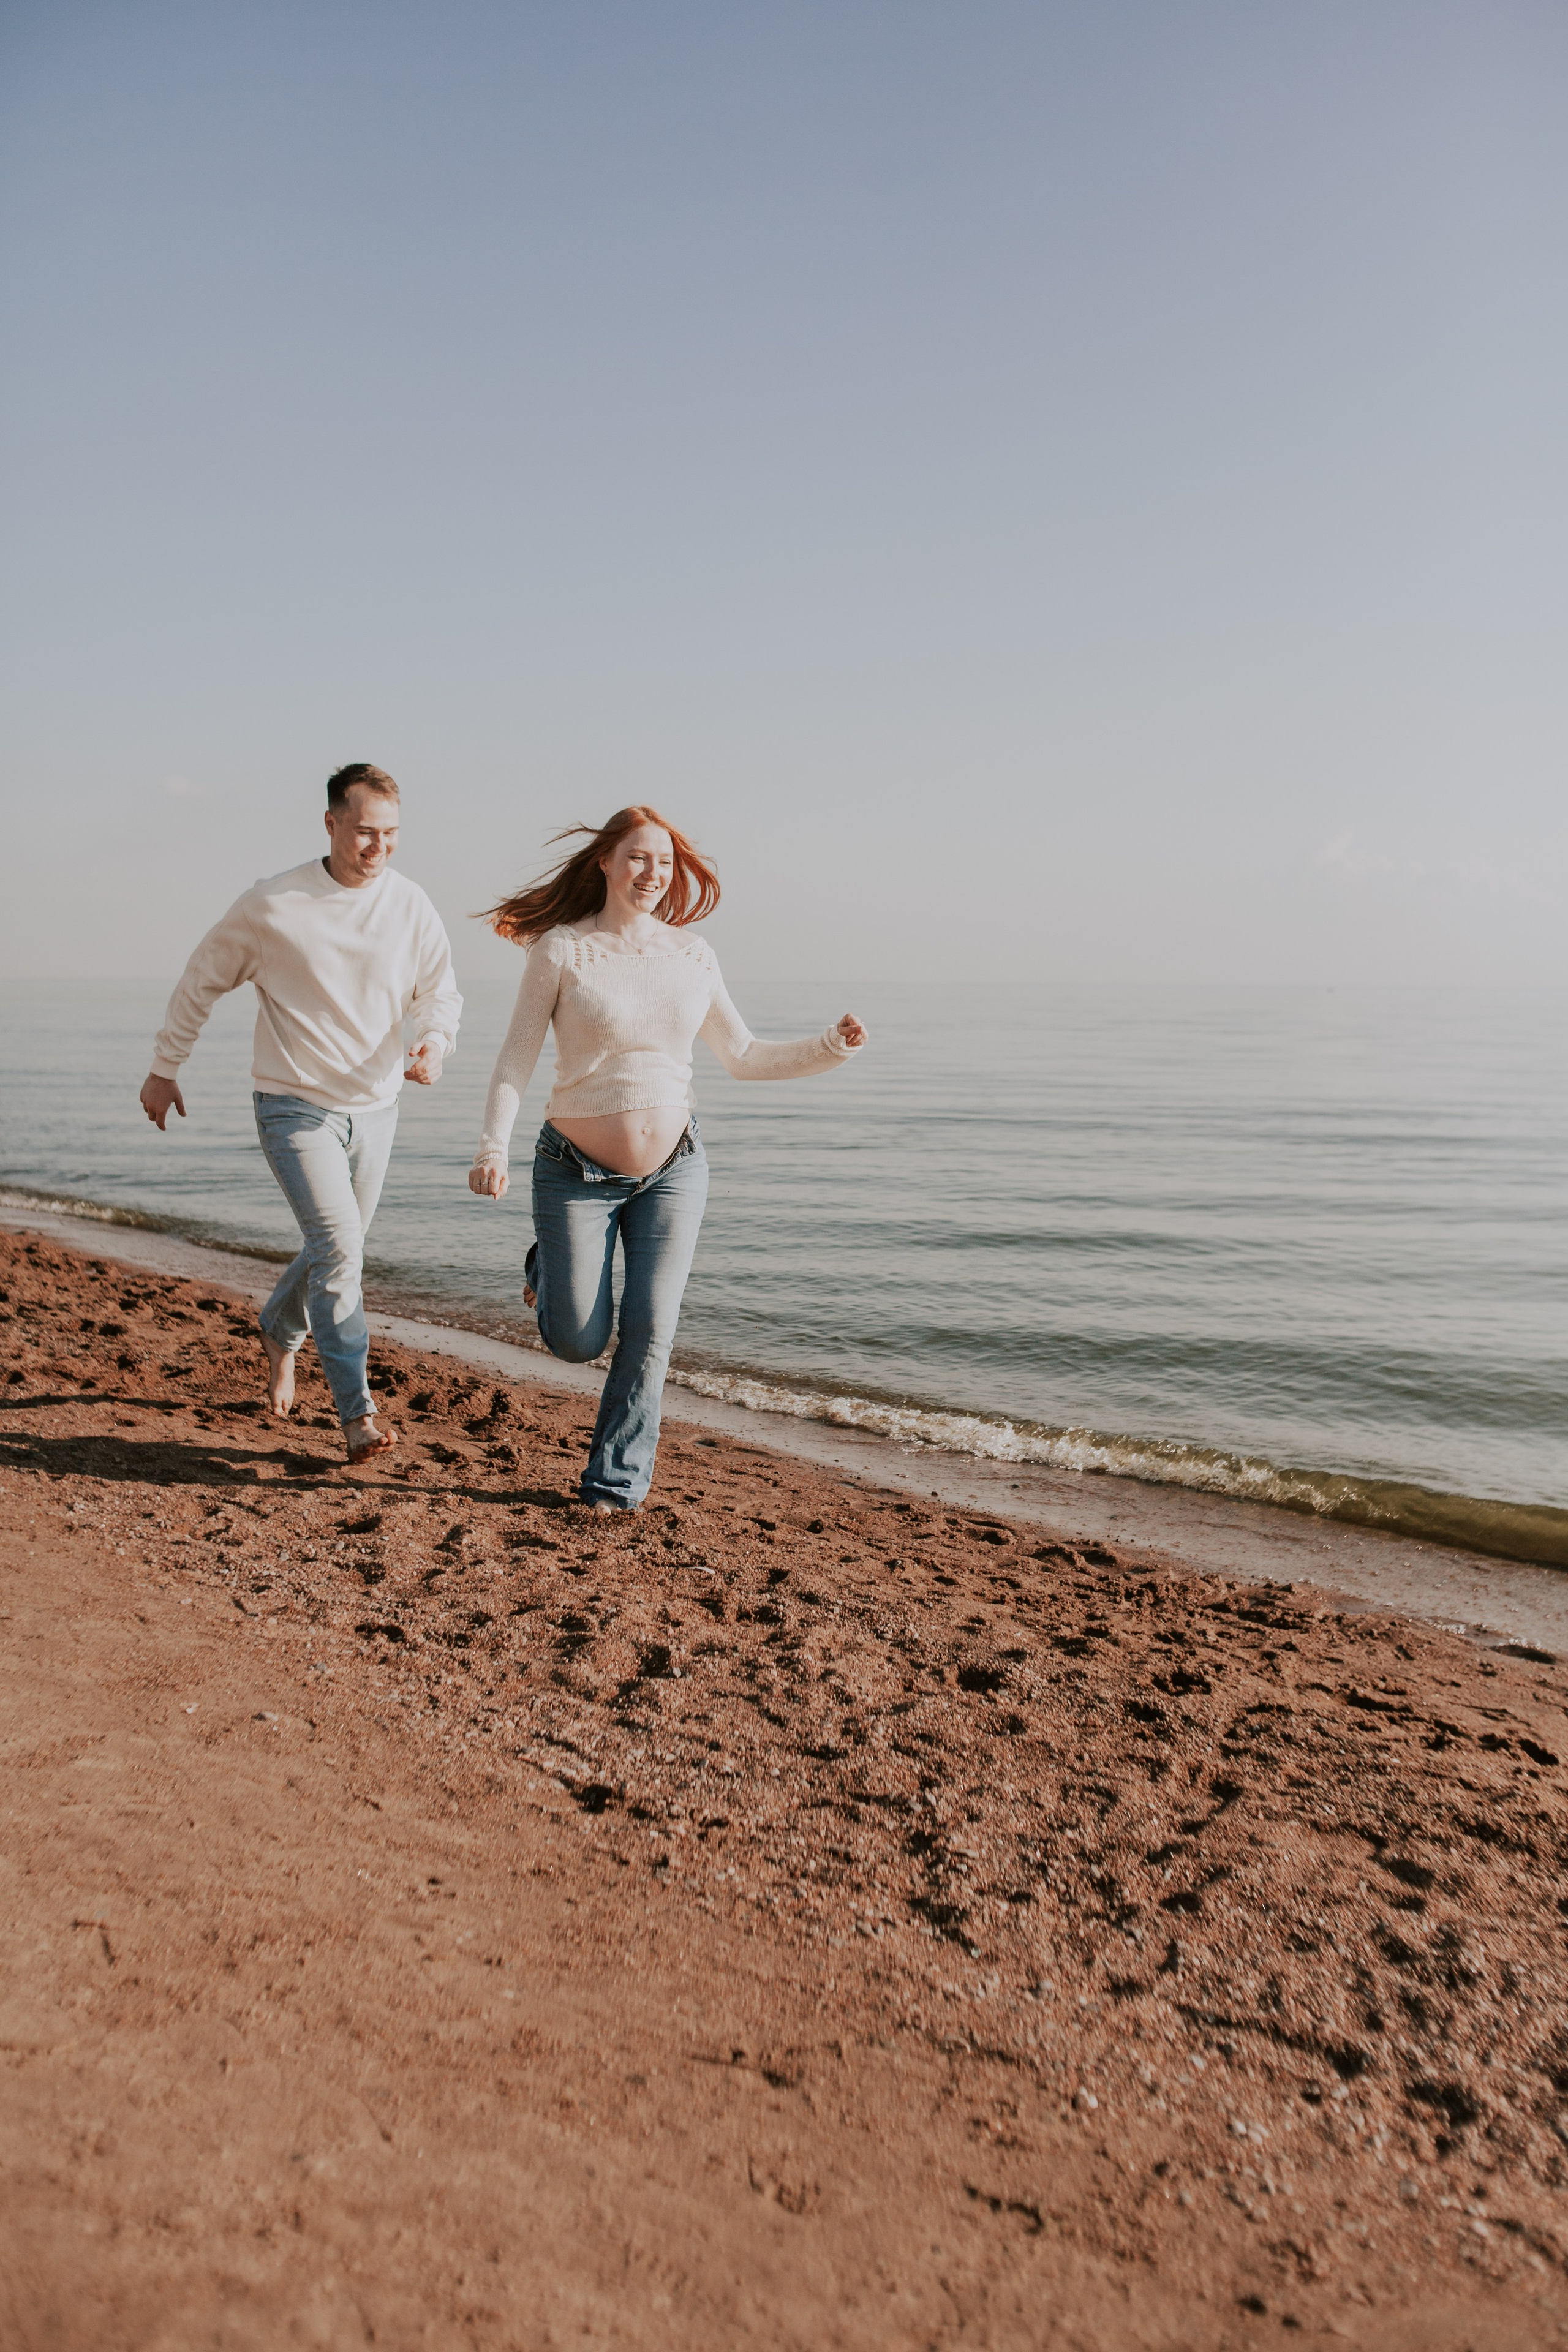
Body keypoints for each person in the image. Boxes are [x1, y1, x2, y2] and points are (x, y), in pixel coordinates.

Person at [469, 807, 866, 1512]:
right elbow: (515, 1060)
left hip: (674, 1170)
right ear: (606, 863)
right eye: (637, 858)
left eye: (663, 862)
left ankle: (613, 1486)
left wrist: (828, 1047)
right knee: (576, 1342)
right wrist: (492, 1147)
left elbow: (743, 1058)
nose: (652, 873)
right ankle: (547, 1265)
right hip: (574, 1171)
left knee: (652, 1327)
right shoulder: (562, 950)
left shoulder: (693, 954)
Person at [138, 763, 462, 1463]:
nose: (379, 847)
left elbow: (439, 993)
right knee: (341, 1251)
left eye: (392, 834)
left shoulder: (410, 904)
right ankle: (358, 1419)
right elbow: (203, 977)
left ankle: (278, 1328)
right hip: (293, 1106)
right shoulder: (274, 903)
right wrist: (166, 1067)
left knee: (333, 1248)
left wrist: (433, 1042)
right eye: (365, 832)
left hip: (377, 1110)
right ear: (331, 824)